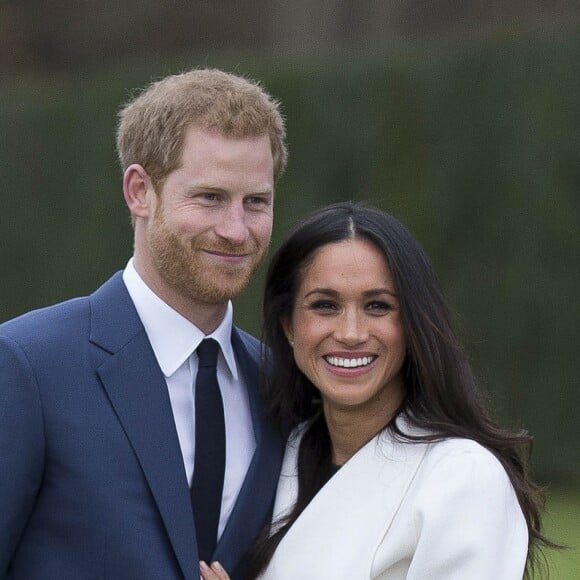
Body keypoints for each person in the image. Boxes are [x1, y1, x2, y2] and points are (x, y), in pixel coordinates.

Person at [0, 68, 288, 580]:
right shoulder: (28, 365)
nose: (235, 229)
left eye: (256, 202)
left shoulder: (282, 387)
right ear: (139, 191)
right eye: (210, 198)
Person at [200, 202, 551, 580]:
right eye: (325, 305)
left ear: (412, 323)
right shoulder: (274, 455)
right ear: (288, 325)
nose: (351, 333)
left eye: (377, 306)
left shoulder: (462, 477)